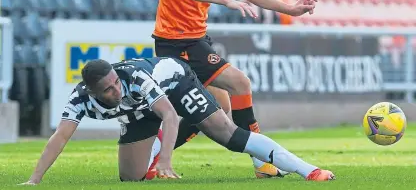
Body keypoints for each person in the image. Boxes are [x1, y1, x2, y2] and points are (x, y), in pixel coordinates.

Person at [152, 0, 318, 178]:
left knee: (217, 110)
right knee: (240, 84)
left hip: (193, 39)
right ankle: (262, 164)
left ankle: (150, 154)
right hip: (177, 42)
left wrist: (290, 9)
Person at [20, 58, 334, 185]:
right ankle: (196, 123)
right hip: (140, 112)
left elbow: (169, 114)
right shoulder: (79, 99)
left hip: (176, 83)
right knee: (131, 178)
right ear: (92, 91)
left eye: (116, 83)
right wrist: (34, 180)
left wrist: (166, 160)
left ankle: (309, 170)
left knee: (229, 135)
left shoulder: (134, 78)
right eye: (108, 89)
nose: (116, 89)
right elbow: (59, 138)